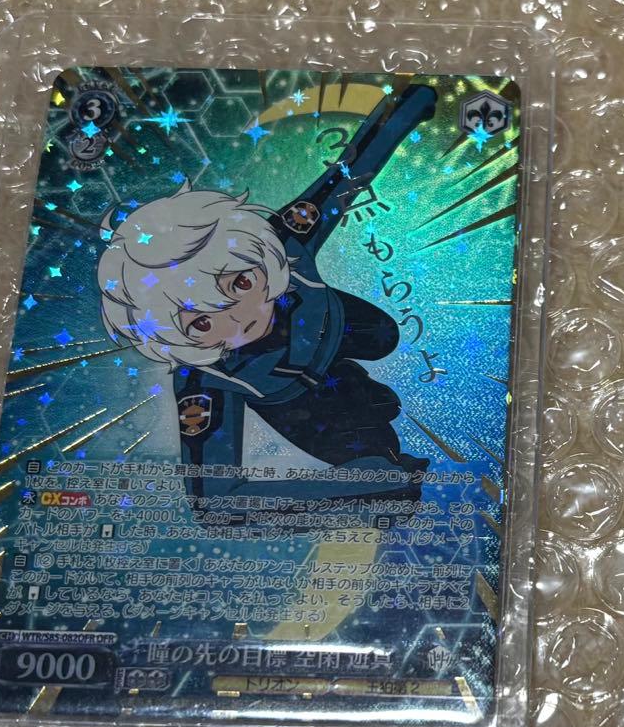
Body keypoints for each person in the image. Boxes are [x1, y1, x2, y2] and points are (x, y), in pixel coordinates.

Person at [97, 83, 437, 511]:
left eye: (239, 284)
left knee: (384, 336)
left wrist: (407, 108)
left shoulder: (281, 242)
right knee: (374, 454)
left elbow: (348, 171)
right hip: (296, 397)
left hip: (336, 323)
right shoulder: (204, 380)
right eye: (201, 322)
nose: (240, 318)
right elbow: (214, 504)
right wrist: (362, 491)